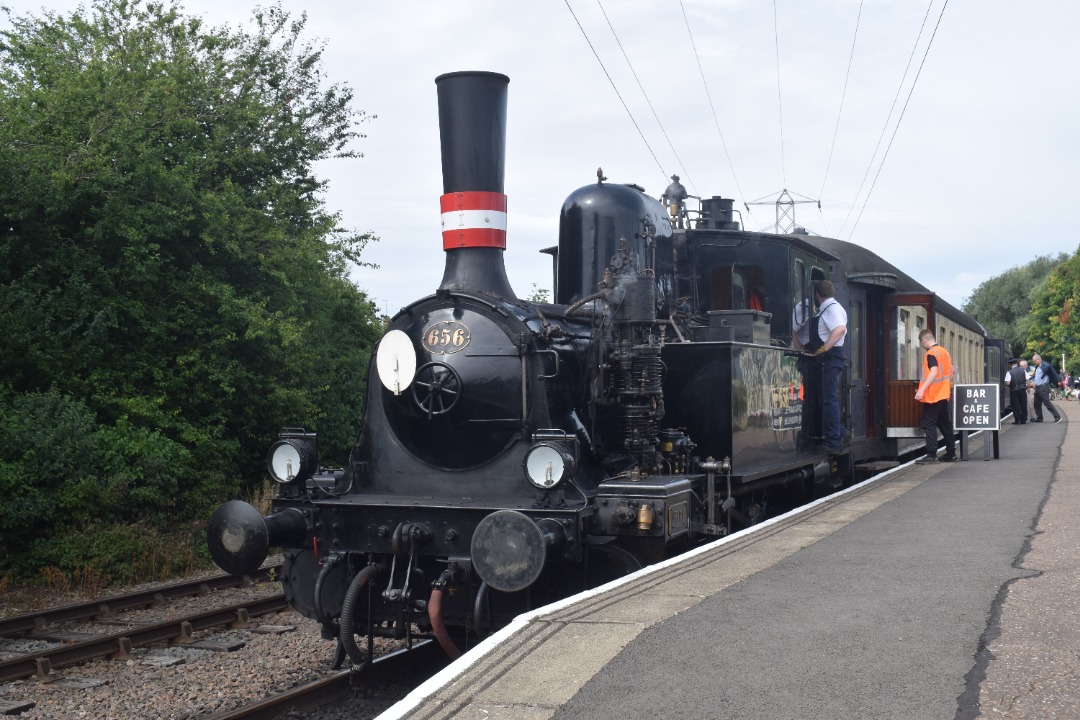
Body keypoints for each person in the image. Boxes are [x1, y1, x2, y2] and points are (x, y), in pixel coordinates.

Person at [793, 280, 847, 454]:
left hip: (829, 357)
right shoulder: (824, 308)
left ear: (817, 294)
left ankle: (833, 439)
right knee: (817, 399)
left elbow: (840, 329)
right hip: (819, 359)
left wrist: (824, 348)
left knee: (828, 399)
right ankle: (818, 436)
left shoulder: (832, 308)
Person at [914, 329, 957, 463]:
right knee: (945, 424)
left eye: (921, 343)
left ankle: (931, 454)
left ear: (924, 340)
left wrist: (922, 390)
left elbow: (933, 372)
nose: (922, 345)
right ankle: (951, 453)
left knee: (929, 423)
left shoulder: (931, 353)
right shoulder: (944, 352)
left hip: (934, 395)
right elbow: (952, 370)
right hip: (944, 394)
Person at [1030, 353, 1062, 423]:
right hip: (1038, 388)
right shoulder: (1038, 367)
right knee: (1036, 404)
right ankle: (1039, 418)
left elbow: (1053, 373)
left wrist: (1058, 381)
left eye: (1034, 361)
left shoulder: (1046, 366)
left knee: (1047, 403)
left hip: (1043, 387)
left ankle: (1057, 417)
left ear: (1038, 359)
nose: (1034, 362)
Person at [1005, 357, 1028, 424]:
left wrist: (1008, 385)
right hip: (1023, 389)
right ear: (1016, 364)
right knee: (1023, 404)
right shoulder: (1023, 371)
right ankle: (1024, 420)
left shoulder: (1009, 372)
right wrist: (1026, 387)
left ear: (1010, 365)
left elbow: (1008, 383)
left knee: (1015, 405)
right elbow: (1028, 380)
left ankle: (1017, 420)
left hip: (1014, 390)